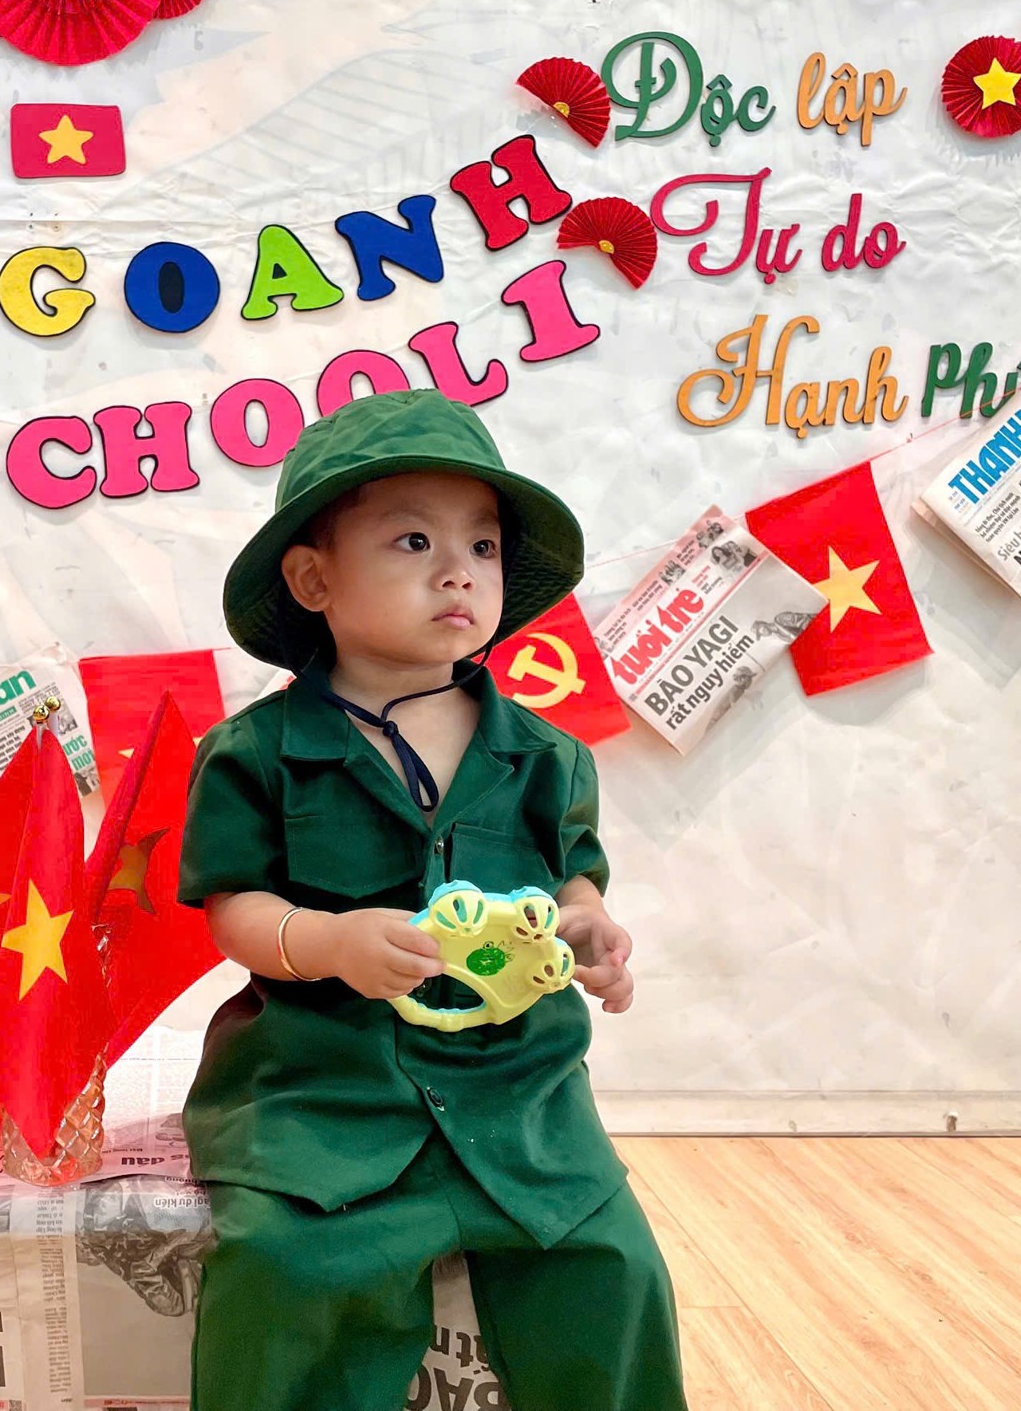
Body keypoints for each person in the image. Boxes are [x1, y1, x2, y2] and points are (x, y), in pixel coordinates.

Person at [177, 389, 688, 1411]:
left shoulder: (544, 754)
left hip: (519, 1095)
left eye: (482, 546)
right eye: (413, 541)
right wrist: (326, 940)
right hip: (325, 1092)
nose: (458, 570)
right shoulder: (253, 754)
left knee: (615, 1272)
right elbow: (233, 906)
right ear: (313, 579)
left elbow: (570, 875)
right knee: (281, 1272)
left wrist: (586, 923)